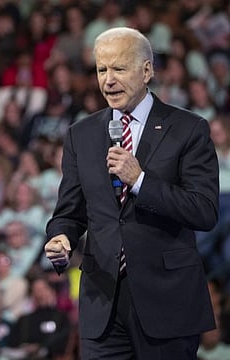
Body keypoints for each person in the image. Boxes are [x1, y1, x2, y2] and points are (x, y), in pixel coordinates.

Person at [44, 27, 219, 359]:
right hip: (102, 302)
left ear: (147, 70)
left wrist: (140, 181)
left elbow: (204, 210)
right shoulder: (81, 135)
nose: (108, 80)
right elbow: (69, 212)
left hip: (167, 302)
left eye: (119, 68)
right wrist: (61, 238)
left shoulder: (188, 129)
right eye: (101, 69)